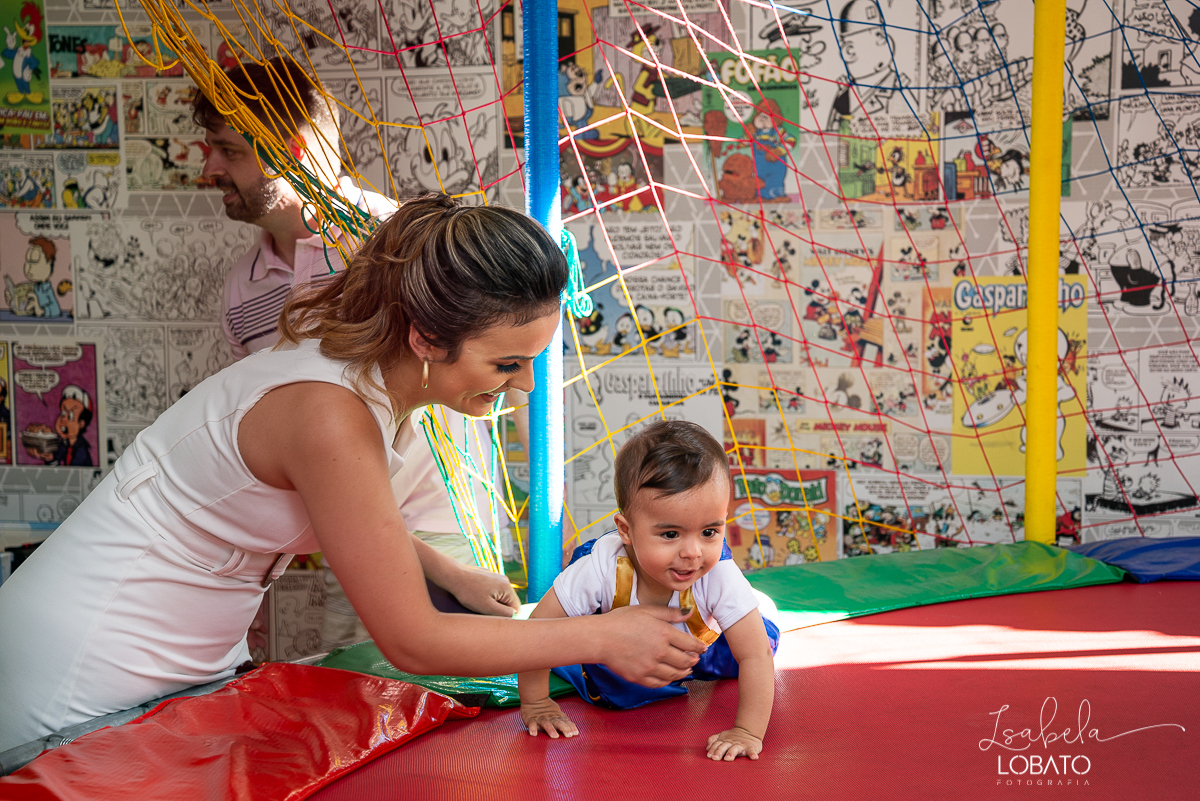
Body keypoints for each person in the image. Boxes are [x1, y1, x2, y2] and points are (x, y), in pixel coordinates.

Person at [0, 196, 707, 751]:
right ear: (427, 336)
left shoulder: (366, 378)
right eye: (505, 365)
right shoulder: (330, 413)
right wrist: (607, 635)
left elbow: (342, 513)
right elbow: (412, 640)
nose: (522, 388)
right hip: (79, 681)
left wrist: (444, 569)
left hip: (165, 671)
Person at [193, 58, 499, 649]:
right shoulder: (242, 287)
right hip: (336, 536)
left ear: (295, 147)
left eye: (228, 150)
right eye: (210, 147)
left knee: (465, 704)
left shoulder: (392, 242)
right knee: (360, 706)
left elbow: (468, 373)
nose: (209, 167)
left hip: (444, 530)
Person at [517, 420, 778, 761]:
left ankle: (757, 606)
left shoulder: (718, 575)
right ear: (626, 530)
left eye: (710, 531)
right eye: (671, 534)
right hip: (626, 652)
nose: (692, 552)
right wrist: (536, 702)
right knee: (600, 681)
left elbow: (755, 655)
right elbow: (538, 632)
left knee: (763, 640)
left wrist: (747, 731)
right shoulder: (601, 566)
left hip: (705, 647)